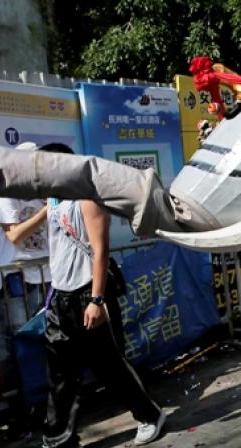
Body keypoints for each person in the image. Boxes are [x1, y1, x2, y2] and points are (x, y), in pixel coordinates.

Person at [39, 143, 166, 447]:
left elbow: (100, 250)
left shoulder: (88, 199)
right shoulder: (53, 199)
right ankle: (58, 437)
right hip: (61, 295)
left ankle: (149, 415)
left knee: (110, 366)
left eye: (45, 165)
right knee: (60, 372)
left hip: (89, 293)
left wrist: (97, 300)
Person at [0, 142, 52, 333]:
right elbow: (15, 234)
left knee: (53, 334)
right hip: (18, 279)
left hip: (49, 274)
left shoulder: (44, 191)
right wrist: (49, 209)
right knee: (23, 337)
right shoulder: (3, 190)